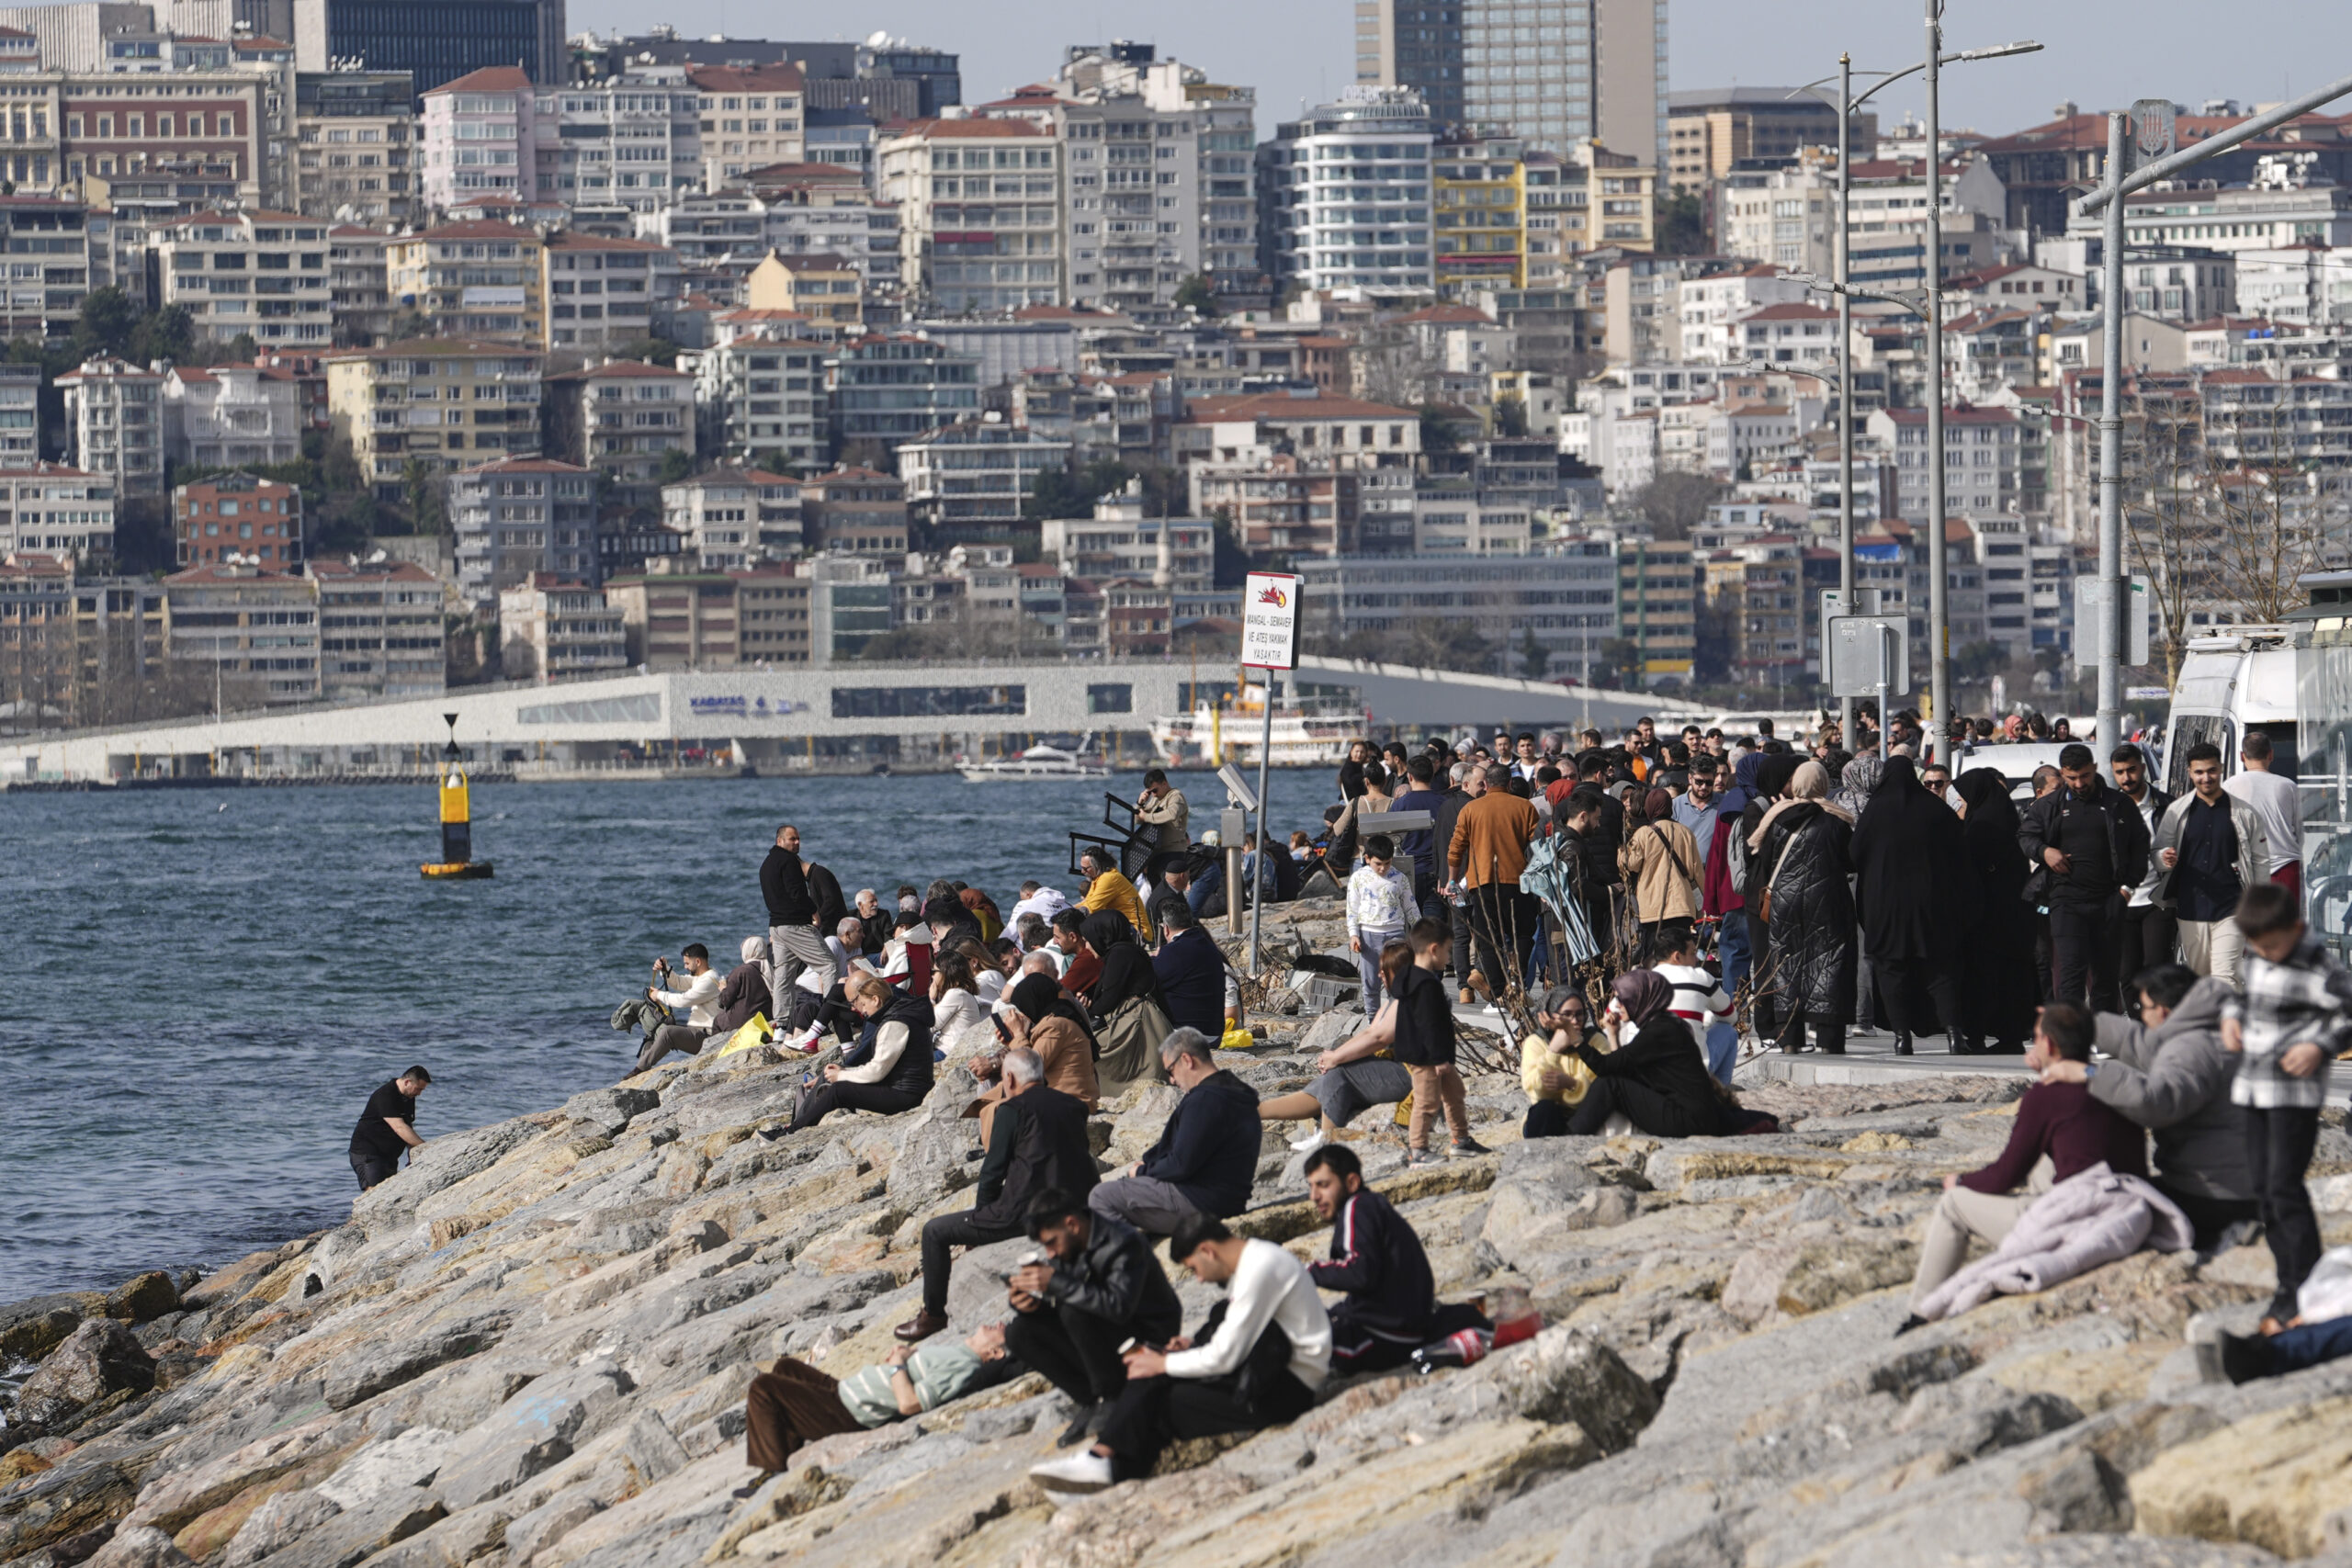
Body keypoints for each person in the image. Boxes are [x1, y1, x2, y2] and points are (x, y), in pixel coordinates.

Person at [1029, 1213, 1330, 1494]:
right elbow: (1243, 1332)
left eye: (1194, 1268)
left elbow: (1225, 1357)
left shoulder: (1259, 1268)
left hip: (1288, 1389)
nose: (1198, 1278)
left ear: (1207, 1251)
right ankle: (1104, 1473)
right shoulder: (1257, 1258)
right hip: (1275, 1372)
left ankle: (1103, 1462)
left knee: (1159, 1396)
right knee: (1156, 1392)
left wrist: (1162, 1363)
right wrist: (1190, 1347)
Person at [1895, 1003, 2147, 1332]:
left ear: (2051, 1045)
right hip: (2128, 1205)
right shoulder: (2112, 1084)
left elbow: (2004, 1175)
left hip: (2081, 1221)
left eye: (2037, 1037)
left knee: (1953, 1206)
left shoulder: (2047, 1096)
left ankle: (1920, 1314)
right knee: (2045, 1159)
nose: (2034, 1043)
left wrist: (1960, 1181)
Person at [2041, 964, 2256, 1251]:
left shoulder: (2192, 1049)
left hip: (2213, 1195)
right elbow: (2143, 1045)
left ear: (2163, 1011)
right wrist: (2082, 1022)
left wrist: (2089, 1074)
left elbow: (2156, 1102)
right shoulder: (2203, 1032)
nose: (2141, 1016)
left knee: (2095, 1209)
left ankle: (2219, 1237)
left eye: (2144, 1007)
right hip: (2229, 1185)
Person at [896, 1048, 1098, 1343]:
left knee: (934, 1231)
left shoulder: (1012, 1109)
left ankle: (933, 1316)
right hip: (1075, 1206)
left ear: (1010, 1078)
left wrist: (979, 1223)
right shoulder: (1073, 1105)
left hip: (1024, 1214)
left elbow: (993, 1172)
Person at [2221, 882, 2352, 1333]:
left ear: (2296, 929)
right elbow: (2245, 996)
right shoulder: (2260, 953)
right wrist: (2232, 1019)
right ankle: (2287, 1284)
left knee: (2284, 1187)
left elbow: (2349, 1012)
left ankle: (2303, 1284)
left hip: (2292, 1094)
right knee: (2262, 1189)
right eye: (2258, 947)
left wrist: (2320, 1045)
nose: (2265, 954)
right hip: (2253, 1087)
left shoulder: (2319, 964)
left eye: (2273, 946)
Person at [1004, 1187, 1185, 1445]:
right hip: (1102, 1331)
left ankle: (1112, 1396)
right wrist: (1028, 1306)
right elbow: (1068, 1307)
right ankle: (1090, 1400)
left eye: (1051, 1243)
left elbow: (1119, 1306)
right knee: (1018, 1332)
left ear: (1072, 1224)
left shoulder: (1123, 1242)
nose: (1050, 1254)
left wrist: (1057, 1283)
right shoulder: (1068, 1248)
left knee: (1074, 1309)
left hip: (1147, 1336)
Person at [740, 1321, 1020, 1484]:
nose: (994, 1323)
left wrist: (898, 1365)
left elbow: (910, 1404)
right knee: (787, 1367)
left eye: (1000, 1328)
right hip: (845, 1393)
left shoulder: (964, 1367)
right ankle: (787, 1448)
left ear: (994, 1352)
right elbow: (923, 1370)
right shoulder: (959, 1353)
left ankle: (773, 1472)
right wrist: (907, 1353)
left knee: (764, 1388)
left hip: (850, 1414)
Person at [1851, 756, 1973, 1055]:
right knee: (1940, 970)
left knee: (1892, 971)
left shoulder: (1875, 811)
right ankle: (1954, 1034)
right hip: (1931, 904)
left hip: (1885, 907)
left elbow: (1854, 853)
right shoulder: (1935, 809)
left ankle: (1902, 1037)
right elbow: (1959, 853)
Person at [1090, 1028, 1261, 1235]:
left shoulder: (1203, 1101)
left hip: (1199, 1202)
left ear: (1187, 1060)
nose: (1171, 1080)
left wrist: (1142, 1171)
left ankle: (1130, 1257)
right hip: (1230, 1200)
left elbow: (1181, 1164)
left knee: (1101, 1195)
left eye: (1170, 1071)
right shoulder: (1239, 1093)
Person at [2019, 743, 2150, 1014]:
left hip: (2108, 900)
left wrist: (2126, 889)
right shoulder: (2050, 806)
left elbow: (2140, 845)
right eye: (2072, 778)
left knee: (2105, 973)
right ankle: (2072, 1033)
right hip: (2065, 900)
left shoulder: (2117, 803)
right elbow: (2025, 837)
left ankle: (2104, 1033)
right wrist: (2045, 852)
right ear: (2063, 774)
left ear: (2094, 769)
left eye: (2085, 776)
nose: (2079, 783)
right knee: (2071, 972)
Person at [1261, 943, 1418, 1153]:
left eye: (1384, 969)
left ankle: (1327, 1140)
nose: (1380, 974)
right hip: (1397, 1067)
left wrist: (1337, 1058)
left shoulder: (1411, 997)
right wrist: (1334, 1055)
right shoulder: (1396, 999)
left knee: (1339, 1075)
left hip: (1414, 1074)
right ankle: (1255, 1111)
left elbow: (1379, 1037)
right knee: (1327, 1080)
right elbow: (1368, 1033)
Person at [1750, 760, 1858, 1055]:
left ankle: (1789, 1039)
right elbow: (1850, 861)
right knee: (1829, 965)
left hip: (1785, 903)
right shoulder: (1837, 821)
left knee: (1785, 965)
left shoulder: (1776, 820)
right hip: (1828, 902)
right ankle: (1828, 1039)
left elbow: (1765, 861)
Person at [1303, 1144, 1435, 1373]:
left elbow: (1359, 1272)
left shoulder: (1357, 1207)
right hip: (1402, 1327)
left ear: (1352, 1182)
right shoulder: (1371, 1205)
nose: (1314, 1196)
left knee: (1293, 1350)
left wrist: (1306, 1271)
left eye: (1323, 1185)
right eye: (1311, 1186)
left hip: (1386, 1337)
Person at [2155, 741, 2271, 985]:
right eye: (2199, 772)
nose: (2206, 778)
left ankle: (2228, 1023)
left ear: (2221, 769)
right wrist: (2164, 858)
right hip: (2191, 911)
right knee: (2201, 980)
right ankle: (2212, 1021)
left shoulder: (2244, 813)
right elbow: (2157, 854)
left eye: (2211, 771)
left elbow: (2260, 861)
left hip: (2232, 909)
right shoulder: (2177, 811)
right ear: (2190, 772)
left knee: (2225, 977)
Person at [1566, 971, 1728, 1137]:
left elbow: (1604, 1067)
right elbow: (1621, 1067)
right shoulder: (1664, 1023)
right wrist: (1613, 1035)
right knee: (1613, 1082)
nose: (1617, 1006)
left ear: (1639, 998)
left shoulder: (1658, 1031)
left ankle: (1571, 1136)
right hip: (1694, 1115)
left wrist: (1575, 1038)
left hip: (1688, 1120)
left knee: (1609, 1084)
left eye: (1622, 999)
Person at [778, 971, 934, 1133]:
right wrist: (843, 1071)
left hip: (907, 1095)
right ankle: (798, 1123)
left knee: (838, 1090)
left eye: (861, 1003)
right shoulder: (896, 1011)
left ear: (875, 999)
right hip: (905, 1087)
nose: (860, 1010)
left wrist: (842, 1074)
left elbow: (876, 1069)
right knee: (834, 1079)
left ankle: (792, 1130)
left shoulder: (895, 1022)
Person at [1953, 769, 2037, 1053]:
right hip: (2015, 917)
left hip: (1986, 919)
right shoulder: (2007, 820)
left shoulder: (1980, 827)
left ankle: (1975, 1035)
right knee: (2011, 978)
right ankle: (2011, 1036)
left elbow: (1969, 869)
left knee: (1981, 977)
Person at [1448, 763, 1542, 1008]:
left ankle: (1499, 992)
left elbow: (1456, 849)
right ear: (1510, 783)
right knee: (1522, 933)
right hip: (1518, 880)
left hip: (1483, 881)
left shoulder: (1471, 809)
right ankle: (1517, 985)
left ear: (1486, 784)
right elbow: (1538, 847)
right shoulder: (1525, 807)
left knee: (1489, 938)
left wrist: (1451, 879)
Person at [1396, 919, 1487, 1165]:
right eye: (1447, 950)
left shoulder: (1412, 978)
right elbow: (1428, 1025)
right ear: (1434, 949)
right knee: (1426, 1102)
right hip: (1427, 1058)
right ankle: (1418, 1149)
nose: (1449, 957)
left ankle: (1461, 1139)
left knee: (1455, 1092)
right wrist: (1439, 1059)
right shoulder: (1425, 984)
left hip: (1434, 1056)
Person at [1080, 909, 1172, 1094]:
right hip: (1146, 1020)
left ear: (1102, 935)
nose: (1087, 947)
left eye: (1088, 940)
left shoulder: (1119, 955)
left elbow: (1108, 1000)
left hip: (1137, 1024)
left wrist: (1084, 1010)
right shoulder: (1129, 951)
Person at [2111, 745, 2177, 1004]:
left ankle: (2160, 1022)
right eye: (2120, 772)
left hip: (2156, 899)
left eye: (2131, 770)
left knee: (2156, 967)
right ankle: (2139, 1023)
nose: (2126, 778)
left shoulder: (2166, 805)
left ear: (2143, 768)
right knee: (2127, 973)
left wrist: (2170, 858)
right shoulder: (2109, 808)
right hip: (2122, 901)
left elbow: (2181, 845)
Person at [763, 824, 842, 1023]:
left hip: (776, 926)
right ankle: (828, 1018)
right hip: (795, 924)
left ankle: (781, 1023)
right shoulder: (789, 861)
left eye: (798, 838)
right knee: (829, 965)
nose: (797, 842)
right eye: (792, 839)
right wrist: (814, 911)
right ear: (779, 840)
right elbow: (797, 893)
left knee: (784, 973)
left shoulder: (766, 864)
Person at [1621, 786, 1702, 963]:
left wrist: (1621, 853)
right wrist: (1706, 904)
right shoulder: (1686, 832)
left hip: (1652, 907)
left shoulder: (1643, 833)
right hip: (1682, 906)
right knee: (1680, 955)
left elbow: (1631, 865)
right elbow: (1698, 872)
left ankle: (1658, 989)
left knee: (1655, 957)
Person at [1651, 919, 1736, 1083]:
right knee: (1728, 1031)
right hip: (1692, 1072)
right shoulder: (1700, 977)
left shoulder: (1639, 982)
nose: (1696, 959)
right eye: (1692, 953)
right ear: (1677, 956)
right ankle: (1720, 1094)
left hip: (1650, 1073)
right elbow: (1731, 1017)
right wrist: (1704, 1019)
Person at [1520, 984, 1609, 1138]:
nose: (1574, 1021)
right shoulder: (1535, 1043)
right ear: (1549, 1016)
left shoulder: (1595, 1040)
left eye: (1579, 1014)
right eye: (1567, 1015)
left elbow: (1604, 1089)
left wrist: (1572, 1084)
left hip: (1586, 1115)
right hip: (1549, 1116)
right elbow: (1538, 1092)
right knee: (1545, 1109)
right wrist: (1553, 1051)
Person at [1345, 833, 1419, 1015]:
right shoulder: (1358, 878)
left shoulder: (1399, 878)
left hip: (1395, 933)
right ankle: (1373, 1023)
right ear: (1367, 858)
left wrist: (1420, 934)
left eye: (1387, 863)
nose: (1383, 868)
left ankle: (1395, 1023)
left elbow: (1411, 906)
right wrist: (1353, 934)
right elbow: (1352, 908)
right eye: (1378, 863)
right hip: (1368, 934)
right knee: (1370, 983)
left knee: (1397, 982)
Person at [2226, 728, 2301, 904]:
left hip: (2245, 872)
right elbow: (2300, 832)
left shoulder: (2229, 787)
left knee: (2249, 929)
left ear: (2241, 756)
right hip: (2285, 870)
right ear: (2271, 755)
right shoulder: (2288, 786)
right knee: (2284, 928)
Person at [639, 944, 724, 1074]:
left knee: (668, 1032)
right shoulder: (702, 977)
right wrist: (665, 969)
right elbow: (679, 982)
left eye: (687, 963)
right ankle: (643, 1070)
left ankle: (638, 1070)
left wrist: (659, 995)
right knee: (656, 1029)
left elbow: (684, 1000)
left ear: (698, 962)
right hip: (697, 1032)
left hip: (707, 1037)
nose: (685, 967)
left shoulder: (709, 981)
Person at [1149, 901, 1227, 1037]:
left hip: (1186, 1035)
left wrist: (1155, 958)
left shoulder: (1174, 952)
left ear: (1166, 929)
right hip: (1214, 1033)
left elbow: (1148, 979)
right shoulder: (1209, 946)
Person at [350, 1066, 430, 1190]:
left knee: (389, 1192)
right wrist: (426, 1148)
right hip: (369, 1153)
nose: (419, 1093)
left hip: (389, 1156)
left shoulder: (408, 1097)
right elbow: (399, 1127)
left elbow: (408, 1127)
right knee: (373, 1193)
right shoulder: (385, 1095)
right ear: (407, 1082)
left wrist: (413, 1155)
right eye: (418, 1089)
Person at [1078, 844, 1152, 942]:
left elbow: (1090, 909)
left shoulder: (1109, 878)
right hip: (1125, 927)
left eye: (1086, 868)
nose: (1082, 871)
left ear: (1098, 866)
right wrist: (1066, 909)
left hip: (1137, 932)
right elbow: (1086, 903)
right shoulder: (1099, 879)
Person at [1134, 768, 1191, 859]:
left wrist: (1147, 817)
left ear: (1164, 784)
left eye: (1155, 790)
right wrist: (1140, 804)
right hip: (1156, 851)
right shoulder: (1155, 799)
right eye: (1150, 792)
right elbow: (1138, 820)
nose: (1153, 794)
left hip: (1174, 851)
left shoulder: (1176, 796)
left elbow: (1172, 813)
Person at [1671, 763, 1718, 873]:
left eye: (1709, 783)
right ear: (1690, 779)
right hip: (1684, 873)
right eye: (1699, 782)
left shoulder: (1724, 803)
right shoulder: (1675, 805)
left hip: (1714, 872)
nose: (1704, 787)